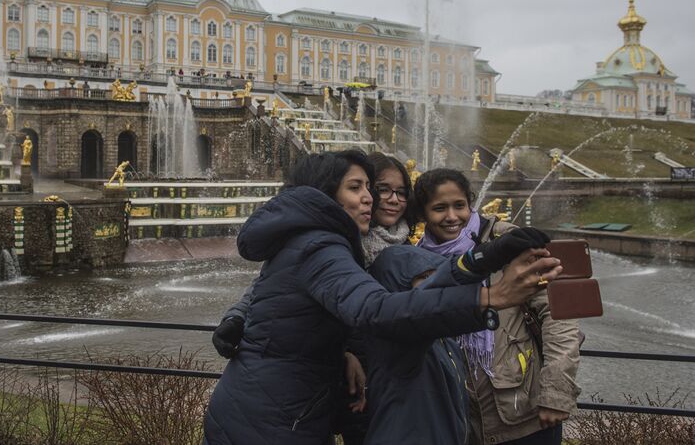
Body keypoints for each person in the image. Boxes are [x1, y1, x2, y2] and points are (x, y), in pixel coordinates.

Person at [203, 151, 561, 445]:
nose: (373, 198)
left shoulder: (348, 244)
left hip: (298, 404)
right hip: (279, 414)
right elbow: (374, 308)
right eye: (360, 187)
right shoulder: (325, 247)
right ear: (326, 194)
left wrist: (485, 257)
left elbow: (423, 286)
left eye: (396, 191)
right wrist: (488, 297)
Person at [212, 152, 416, 444]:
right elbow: (271, 287)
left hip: (386, 381)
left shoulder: (414, 245)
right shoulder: (335, 240)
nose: (388, 198)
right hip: (331, 388)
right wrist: (237, 316)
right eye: (382, 189)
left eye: (401, 192)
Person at [412, 168, 581, 445]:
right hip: (459, 420)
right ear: (423, 214)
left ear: (470, 203)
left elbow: (558, 312)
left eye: (459, 205)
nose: (452, 217)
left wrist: (556, 392)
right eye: (439, 208)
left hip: (523, 412)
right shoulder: (416, 258)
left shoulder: (506, 241)